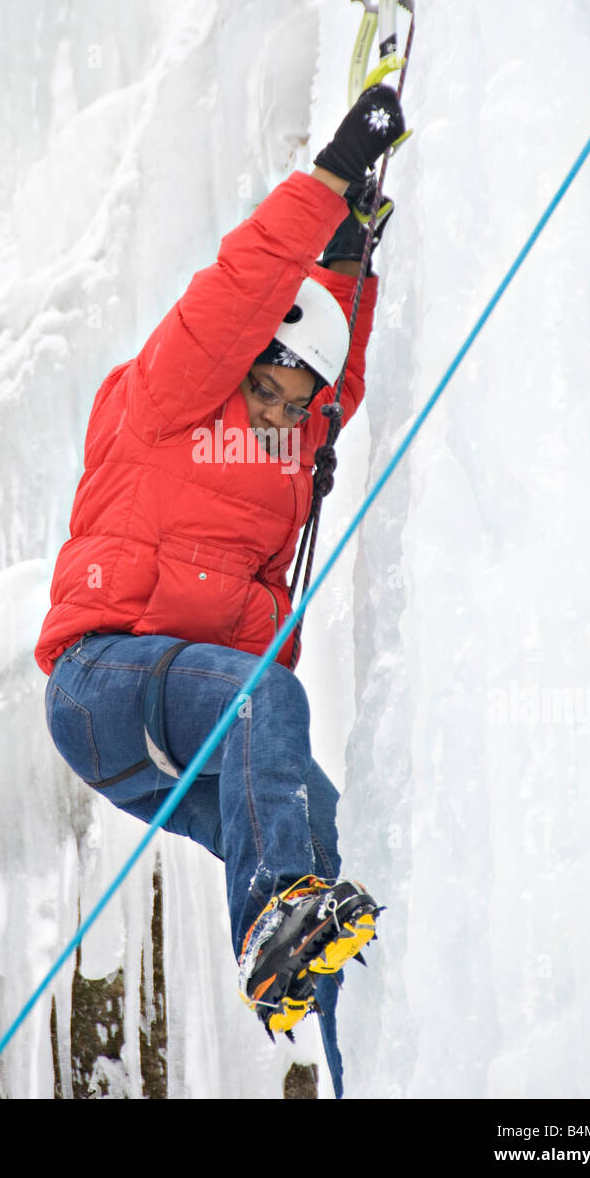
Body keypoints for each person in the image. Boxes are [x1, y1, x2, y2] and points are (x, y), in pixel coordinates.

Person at [35, 82, 406, 1097]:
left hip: (166, 738)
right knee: (263, 696)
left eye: (294, 403)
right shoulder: (170, 395)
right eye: (265, 386)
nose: (279, 412)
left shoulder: (289, 449)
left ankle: (349, 1053)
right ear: (240, 365)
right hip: (102, 681)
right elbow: (241, 287)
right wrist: (330, 180)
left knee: (323, 831)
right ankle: (270, 919)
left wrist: (352, 263)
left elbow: (339, 381)